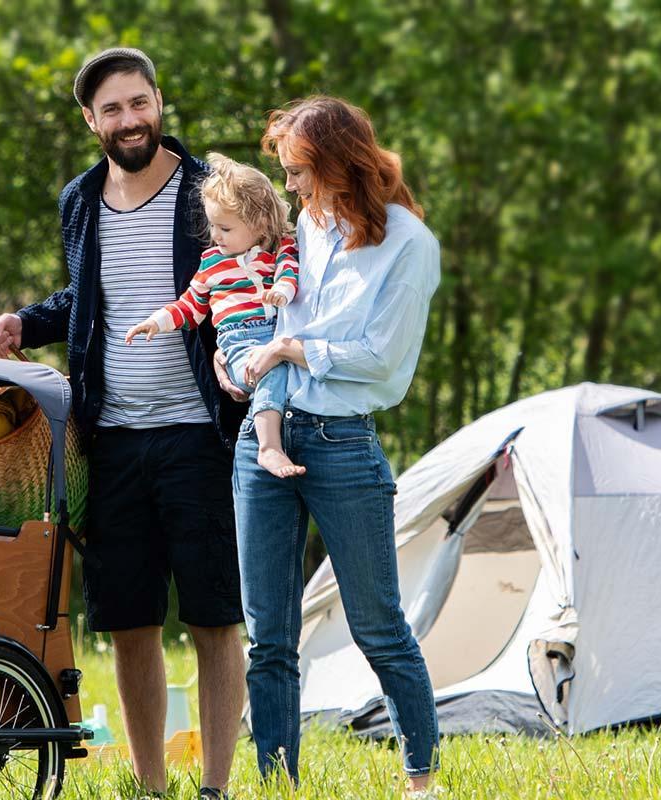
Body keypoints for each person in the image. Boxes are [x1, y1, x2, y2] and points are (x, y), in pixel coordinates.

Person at [0, 47, 245, 800]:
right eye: (114, 109)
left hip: (201, 436)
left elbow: (253, 279)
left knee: (215, 616)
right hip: (112, 442)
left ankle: (216, 787)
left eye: (141, 102)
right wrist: (21, 324)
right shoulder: (79, 201)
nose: (131, 120)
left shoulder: (206, 193)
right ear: (90, 120)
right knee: (128, 620)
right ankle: (152, 786)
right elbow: (83, 303)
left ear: (160, 102)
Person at [216, 95, 444, 796]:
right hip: (266, 435)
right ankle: (278, 783)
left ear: (341, 163)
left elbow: (383, 360)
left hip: (343, 445)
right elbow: (256, 308)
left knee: (379, 627)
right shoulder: (301, 231)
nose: (288, 187)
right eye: (283, 172)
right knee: (269, 640)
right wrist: (240, 363)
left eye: (297, 172)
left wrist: (291, 347)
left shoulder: (409, 244)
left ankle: (421, 778)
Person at [125, 153, 304, 479]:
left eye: (224, 227)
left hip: (278, 333)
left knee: (285, 366)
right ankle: (268, 447)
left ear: (260, 223)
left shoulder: (281, 248)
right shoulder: (211, 262)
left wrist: (283, 290)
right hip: (239, 343)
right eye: (212, 225)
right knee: (270, 371)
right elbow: (190, 306)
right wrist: (157, 321)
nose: (215, 235)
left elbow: (290, 272)